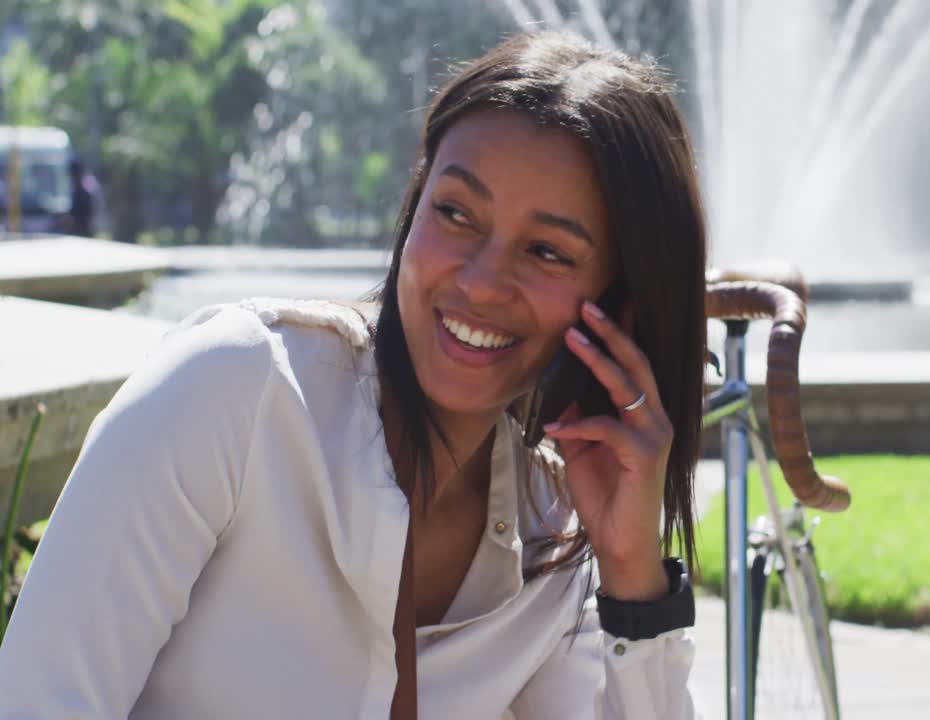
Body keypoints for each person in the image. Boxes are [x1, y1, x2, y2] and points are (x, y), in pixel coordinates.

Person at [0, 31, 707, 719]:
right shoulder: (238, 393)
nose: (483, 283)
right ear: (415, 204)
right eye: (456, 213)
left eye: (548, 252)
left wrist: (632, 575)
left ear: (616, 305)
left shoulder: (551, 541)